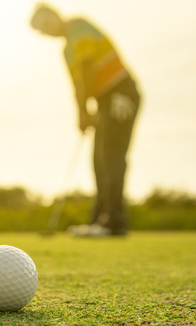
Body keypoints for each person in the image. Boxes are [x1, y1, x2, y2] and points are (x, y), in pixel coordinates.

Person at [30, 3, 141, 237]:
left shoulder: (77, 26)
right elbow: (78, 85)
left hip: (120, 92)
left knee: (111, 155)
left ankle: (114, 221)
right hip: (103, 100)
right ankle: (100, 219)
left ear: (54, 14)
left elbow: (87, 68)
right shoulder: (66, 50)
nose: (46, 31)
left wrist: (83, 111)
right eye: (40, 31)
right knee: (98, 158)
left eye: (44, 23)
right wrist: (81, 112)